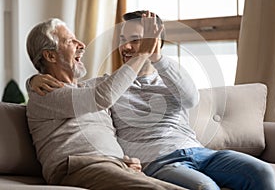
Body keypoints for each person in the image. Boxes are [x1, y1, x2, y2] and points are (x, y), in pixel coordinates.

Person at [30, 11, 275, 190]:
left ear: (155, 43)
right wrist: (32, 81)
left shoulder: (169, 78)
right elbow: (91, 96)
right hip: (159, 163)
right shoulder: (104, 87)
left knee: (262, 172)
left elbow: (191, 98)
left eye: (136, 40)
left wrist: (156, 57)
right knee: (205, 188)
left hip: (200, 152)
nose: (126, 47)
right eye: (122, 40)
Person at [25, 15, 187, 190]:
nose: (82, 45)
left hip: (113, 166)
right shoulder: (45, 94)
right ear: (50, 55)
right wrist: (141, 54)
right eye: (71, 41)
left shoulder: (87, 88)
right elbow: (103, 97)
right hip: (77, 166)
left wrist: (122, 160)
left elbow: (107, 92)